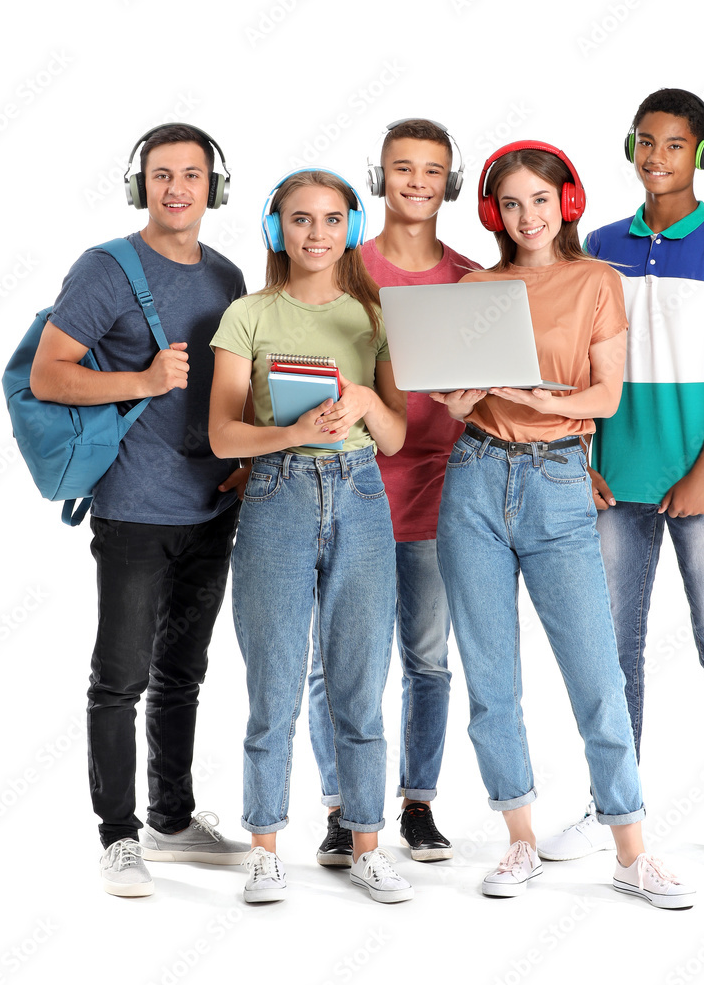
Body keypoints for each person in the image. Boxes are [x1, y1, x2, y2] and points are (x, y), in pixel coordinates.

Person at [432, 140, 694, 908]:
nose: (526, 216)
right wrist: (456, 401)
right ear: (493, 213)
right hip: (474, 478)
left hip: (555, 483)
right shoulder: (475, 286)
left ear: (566, 203)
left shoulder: (595, 282)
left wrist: (545, 399)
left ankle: (630, 850)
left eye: (539, 200)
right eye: (510, 204)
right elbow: (458, 401)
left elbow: (606, 397)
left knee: (596, 677)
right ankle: (518, 841)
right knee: (489, 678)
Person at [538, 90, 704, 880]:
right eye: (645, 142)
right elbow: (574, 368)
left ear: (699, 153)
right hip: (611, 486)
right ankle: (613, 806)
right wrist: (581, 460)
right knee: (609, 655)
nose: (655, 157)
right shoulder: (596, 247)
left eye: (674, 145)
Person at [30, 123, 250, 897]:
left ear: (214, 189)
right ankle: (118, 836)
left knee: (183, 672)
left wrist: (245, 465)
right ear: (140, 185)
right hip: (133, 508)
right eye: (162, 175)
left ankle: (172, 818)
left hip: (211, 505)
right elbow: (50, 376)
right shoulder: (107, 269)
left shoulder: (227, 276)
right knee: (119, 676)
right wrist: (144, 381)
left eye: (192, 175)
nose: (177, 188)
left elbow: (237, 383)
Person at [208, 168, 412, 904]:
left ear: (351, 230)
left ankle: (365, 844)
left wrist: (361, 399)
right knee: (273, 686)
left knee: (359, 687)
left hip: (359, 496)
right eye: (299, 220)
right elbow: (221, 431)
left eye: (331, 220)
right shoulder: (248, 315)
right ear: (276, 230)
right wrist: (291, 429)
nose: (315, 234)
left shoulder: (374, 316)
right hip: (276, 494)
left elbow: (394, 437)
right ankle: (264, 847)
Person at [307, 119, 480, 866]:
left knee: (428, 659)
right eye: (401, 168)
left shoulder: (474, 280)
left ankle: (416, 804)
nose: (416, 181)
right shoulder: (343, 268)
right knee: (335, 663)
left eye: (431, 169)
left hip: (441, 494)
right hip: (347, 493)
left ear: (451, 181)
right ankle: (344, 809)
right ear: (378, 179)